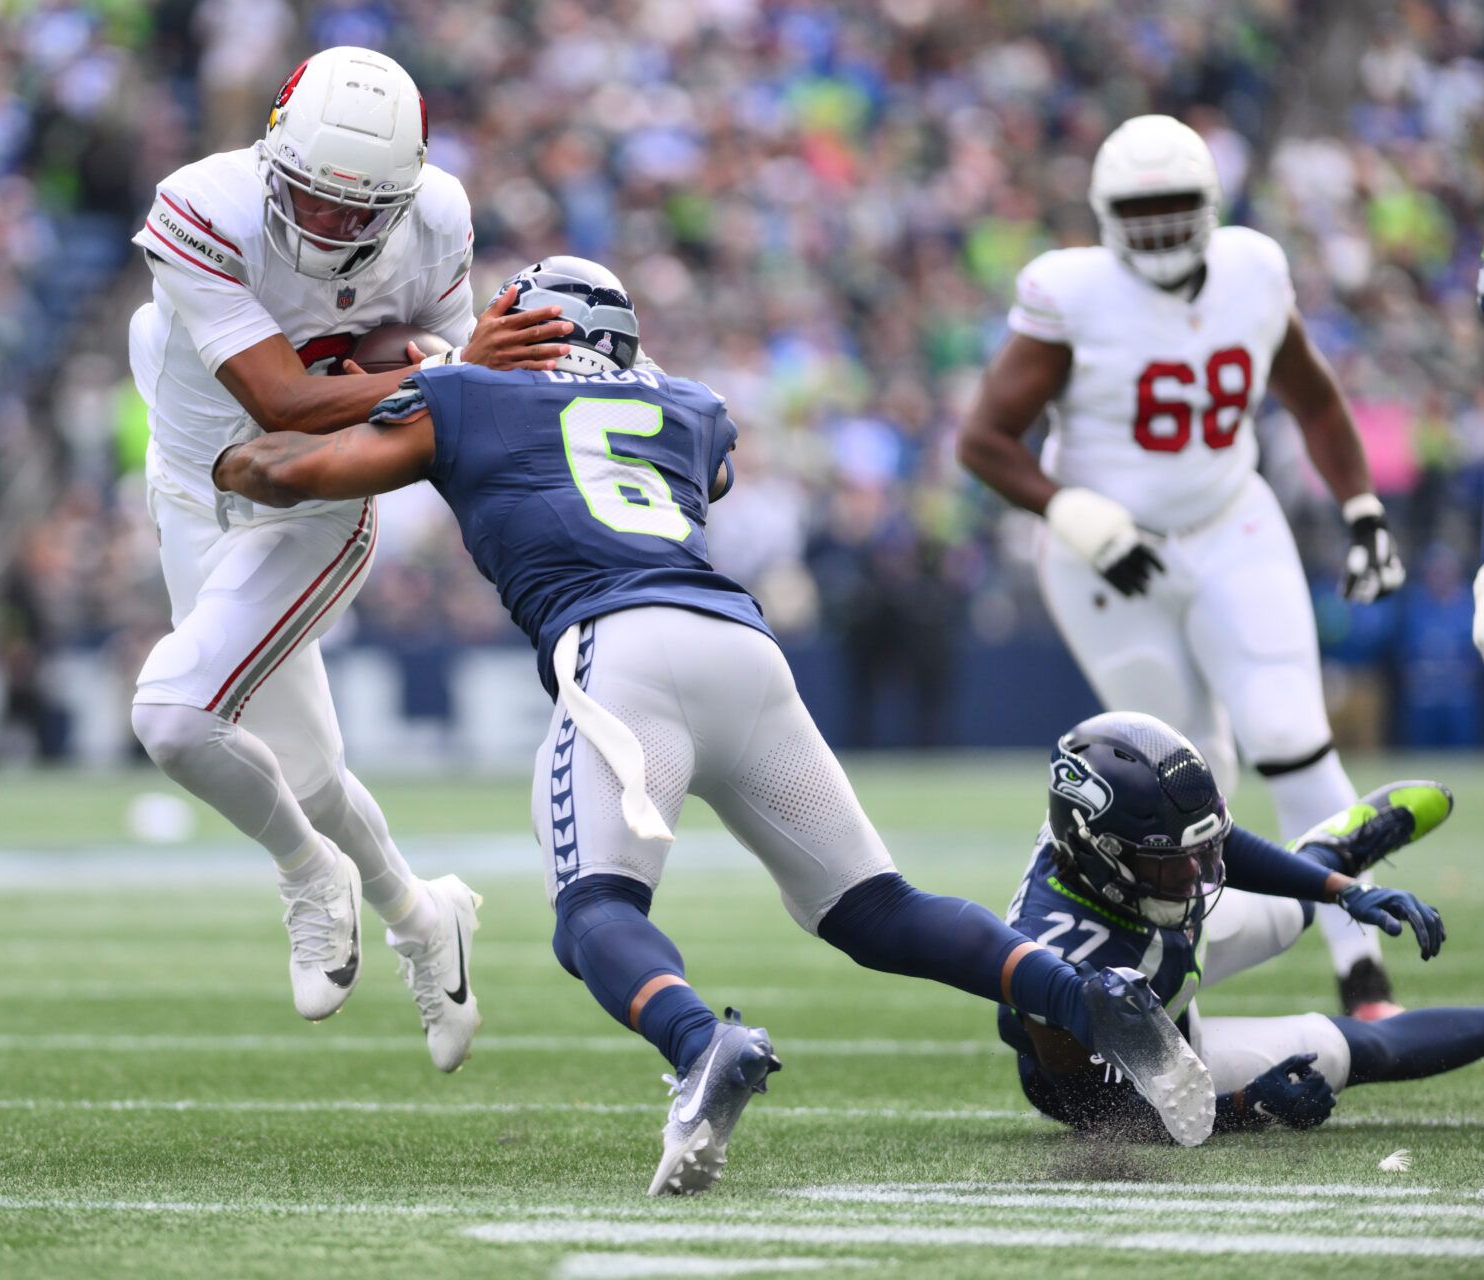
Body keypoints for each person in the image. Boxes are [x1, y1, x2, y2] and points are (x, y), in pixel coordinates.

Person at [213, 256, 1221, 1194]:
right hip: (739, 645)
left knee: (595, 912)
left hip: (619, 651)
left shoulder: (470, 390)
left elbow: (298, 470)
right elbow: (707, 468)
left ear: (521, 327)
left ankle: (702, 1041)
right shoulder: (690, 408)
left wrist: (234, 464)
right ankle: (1086, 995)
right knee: (875, 905)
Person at [124, 45, 574, 1072]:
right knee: (313, 774)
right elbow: (280, 396)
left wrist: (444, 377)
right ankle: (425, 920)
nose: (328, 226)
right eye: (313, 200)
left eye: (354, 210)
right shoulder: (206, 206)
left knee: (173, 717)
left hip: (319, 499)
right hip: (197, 487)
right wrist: (448, 369)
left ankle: (307, 876)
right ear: (272, 155)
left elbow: (440, 407)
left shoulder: (438, 219)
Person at [958, 114, 1410, 1019]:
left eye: (1176, 207)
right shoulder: (1071, 292)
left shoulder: (1252, 268)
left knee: (1293, 731)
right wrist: (1076, 512)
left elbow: (1316, 402)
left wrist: (1362, 504)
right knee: (1175, 784)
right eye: (1141, 209)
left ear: (1210, 205)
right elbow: (984, 441)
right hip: (1109, 556)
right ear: (1104, 214)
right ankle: (1172, 992)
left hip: (1230, 517)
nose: (1161, 227)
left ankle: (1363, 970)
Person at [1001, 711, 1472, 1137]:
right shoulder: (1056, 962)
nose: (1194, 875)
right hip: (1141, 1058)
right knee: (1355, 1049)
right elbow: (1103, 1112)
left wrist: (1341, 889)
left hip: (1148, 924)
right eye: (1169, 863)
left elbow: (1210, 842)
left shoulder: (1103, 842)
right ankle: (1327, 853)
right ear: (1099, 854)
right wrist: (1246, 1106)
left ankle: (1333, 852)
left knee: (1291, 910)